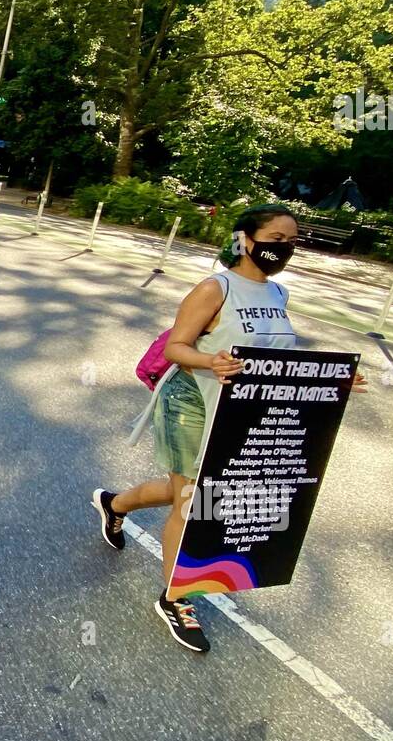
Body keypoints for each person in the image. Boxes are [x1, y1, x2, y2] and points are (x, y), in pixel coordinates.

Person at [92, 204, 365, 656]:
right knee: (191, 500)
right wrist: (210, 361)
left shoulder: (278, 293)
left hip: (238, 409)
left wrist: (332, 379)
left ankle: (114, 503)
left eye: (291, 241)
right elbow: (178, 347)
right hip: (191, 401)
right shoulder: (214, 288)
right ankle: (175, 598)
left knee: (185, 490)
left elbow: (276, 359)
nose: (285, 248)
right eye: (275, 239)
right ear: (245, 240)